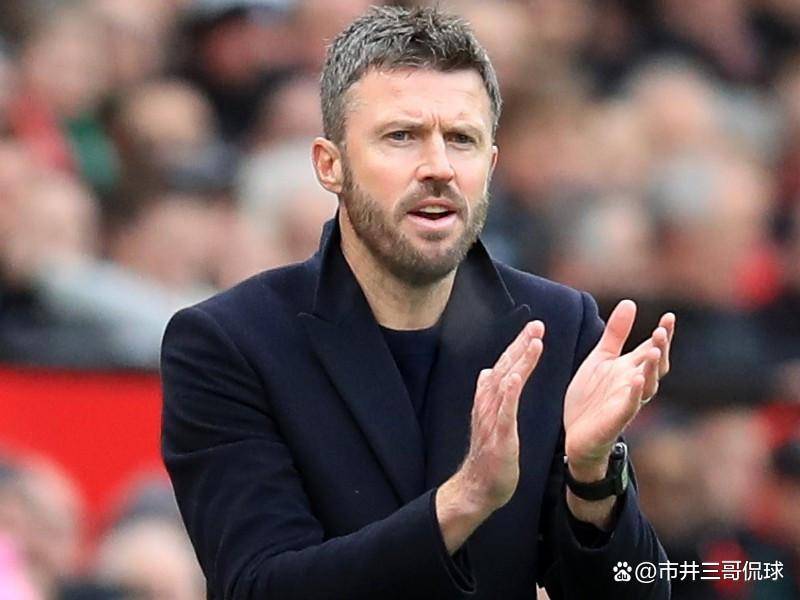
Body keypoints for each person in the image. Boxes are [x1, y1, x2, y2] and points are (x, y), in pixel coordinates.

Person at [161, 6, 674, 598]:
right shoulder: (229, 342)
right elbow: (260, 587)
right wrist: (464, 500)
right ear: (330, 165)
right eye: (401, 136)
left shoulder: (560, 327)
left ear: (490, 165)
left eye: (462, 140)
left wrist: (591, 478)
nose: (438, 168)